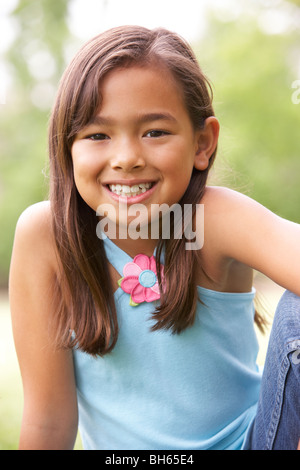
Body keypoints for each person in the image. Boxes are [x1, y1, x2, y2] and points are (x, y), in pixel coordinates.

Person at [9, 25, 300, 450]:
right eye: (97, 135)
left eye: (155, 132)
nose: (126, 158)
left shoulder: (213, 219)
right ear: (66, 147)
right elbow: (48, 423)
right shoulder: (46, 238)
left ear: (203, 143)